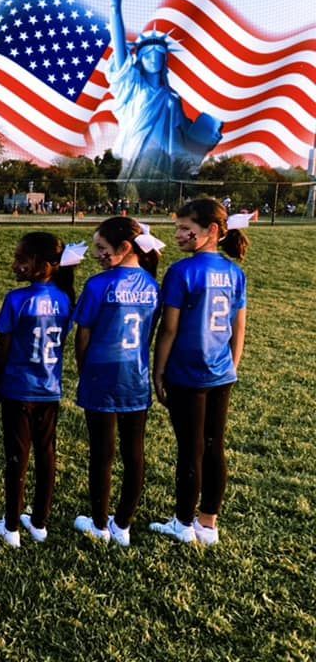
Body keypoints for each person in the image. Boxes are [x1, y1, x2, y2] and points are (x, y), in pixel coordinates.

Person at [150, 198, 249, 545]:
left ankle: (182, 522)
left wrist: (158, 370)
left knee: (190, 449)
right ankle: (208, 524)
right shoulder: (235, 273)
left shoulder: (182, 272)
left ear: (211, 231)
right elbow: (240, 329)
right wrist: (231, 367)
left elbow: (169, 330)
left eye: (185, 228)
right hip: (221, 373)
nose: (178, 234)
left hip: (187, 374)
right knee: (213, 446)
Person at [72, 217, 163, 546]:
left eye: (102, 248)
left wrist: (84, 370)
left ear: (125, 248)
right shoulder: (153, 287)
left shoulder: (99, 285)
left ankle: (100, 523)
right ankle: (122, 524)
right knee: (134, 452)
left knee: (102, 453)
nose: (97, 254)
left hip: (101, 374)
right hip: (134, 378)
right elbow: (149, 336)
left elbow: (83, 336)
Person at [0, 233, 84, 547]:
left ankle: (12, 526)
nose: (16, 265)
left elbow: (4, 348)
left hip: (19, 388)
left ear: (44, 266)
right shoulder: (65, 299)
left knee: (17, 457)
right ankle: (40, 522)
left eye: (22, 260)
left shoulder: (19, 300)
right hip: (49, 389)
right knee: (46, 455)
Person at [106, 0, 222, 194]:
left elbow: (183, 136)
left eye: (159, 54)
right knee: (133, 195)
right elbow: (118, 42)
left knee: (164, 195)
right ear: (139, 58)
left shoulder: (172, 97)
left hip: (167, 161)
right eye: (148, 55)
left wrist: (206, 133)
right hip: (137, 155)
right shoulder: (132, 86)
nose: (154, 59)